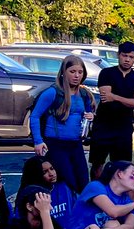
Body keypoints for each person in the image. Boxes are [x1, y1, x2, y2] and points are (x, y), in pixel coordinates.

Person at [30, 54, 96, 194]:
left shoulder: (84, 93)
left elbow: (88, 114)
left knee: (83, 181)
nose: (76, 76)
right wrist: (38, 141)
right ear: (63, 73)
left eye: (80, 72)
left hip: (76, 144)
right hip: (56, 144)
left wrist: (91, 116)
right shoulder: (53, 92)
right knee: (68, 182)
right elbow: (35, 116)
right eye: (72, 71)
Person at [88, 41, 134, 177]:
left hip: (123, 127)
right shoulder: (106, 73)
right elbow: (105, 97)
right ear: (118, 55)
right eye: (124, 55)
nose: (127, 60)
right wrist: (127, 100)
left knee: (122, 166)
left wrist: (115, 97)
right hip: (103, 125)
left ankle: (117, 189)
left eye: (131, 57)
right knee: (97, 164)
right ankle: (96, 188)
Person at [20, 155, 77, 229]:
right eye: (45, 172)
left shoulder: (64, 187)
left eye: (52, 169)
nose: (51, 174)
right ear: (36, 175)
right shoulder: (29, 194)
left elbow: (76, 210)